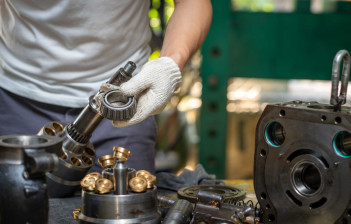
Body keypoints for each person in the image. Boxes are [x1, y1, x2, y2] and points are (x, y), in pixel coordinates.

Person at [0, 0, 212, 174]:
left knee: (133, 213)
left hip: (124, 112)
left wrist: (170, 65)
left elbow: (193, 3)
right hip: (18, 103)